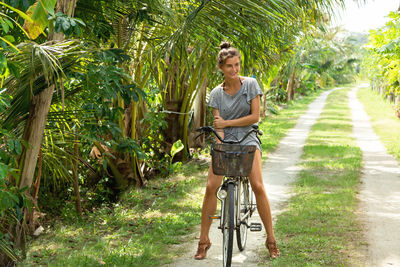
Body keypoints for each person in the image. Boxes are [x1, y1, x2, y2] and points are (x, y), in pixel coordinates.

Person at [194, 42, 280, 260]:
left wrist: (228, 123)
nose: (235, 69)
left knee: (258, 186)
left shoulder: (250, 84)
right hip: (225, 140)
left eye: (237, 64)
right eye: (230, 66)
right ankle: (203, 241)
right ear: (221, 68)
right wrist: (220, 143)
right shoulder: (216, 94)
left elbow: (255, 117)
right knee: (211, 186)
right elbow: (217, 125)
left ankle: (271, 239)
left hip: (248, 137)